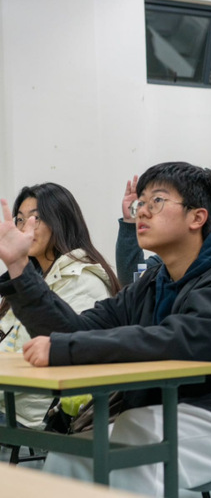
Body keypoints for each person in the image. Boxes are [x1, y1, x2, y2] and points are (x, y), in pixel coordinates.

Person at [0, 162, 211, 495]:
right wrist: (19, 266)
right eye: (141, 203)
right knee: (69, 459)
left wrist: (69, 348)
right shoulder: (153, 282)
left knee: (115, 465)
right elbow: (72, 329)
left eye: (157, 201)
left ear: (197, 217)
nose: (142, 212)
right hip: (173, 411)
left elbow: (180, 341)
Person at [0, 183, 120, 428]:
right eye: (20, 219)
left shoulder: (83, 281)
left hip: (31, 415)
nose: (25, 228)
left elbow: (63, 355)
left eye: (36, 218)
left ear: (60, 221)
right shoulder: (30, 277)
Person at [116, 169, 211, 286]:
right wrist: (130, 221)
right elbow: (133, 280)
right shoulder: (177, 255)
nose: (195, 214)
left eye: (206, 207)